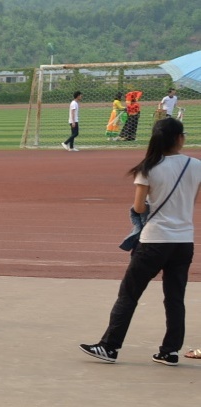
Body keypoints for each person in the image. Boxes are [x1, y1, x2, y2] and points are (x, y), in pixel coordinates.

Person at [80, 118, 199, 366]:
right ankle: (170, 351)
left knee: (129, 294)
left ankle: (110, 346)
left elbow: (139, 207)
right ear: (179, 138)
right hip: (183, 240)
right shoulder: (196, 165)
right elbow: (192, 198)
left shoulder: (148, 168)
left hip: (154, 240)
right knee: (175, 297)